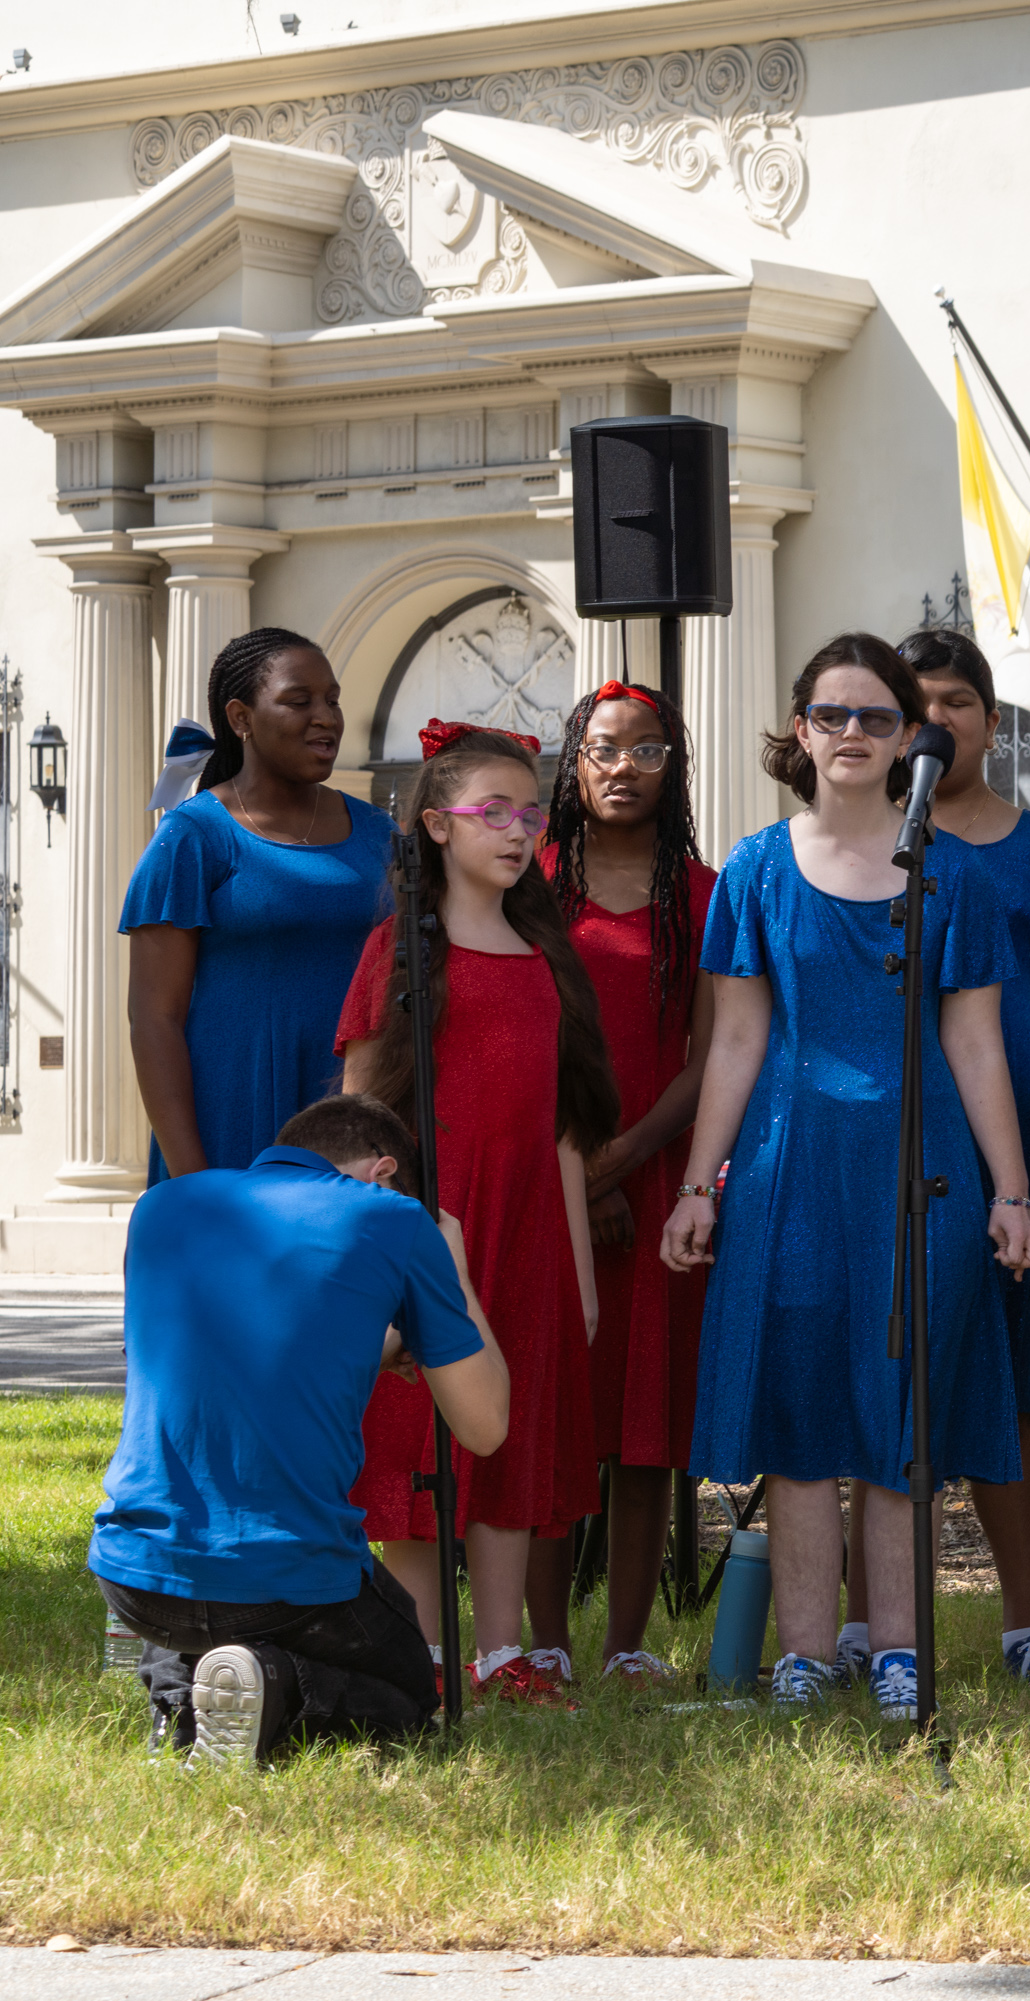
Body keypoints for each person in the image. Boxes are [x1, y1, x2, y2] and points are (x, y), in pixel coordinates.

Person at [662, 635, 1030, 1718]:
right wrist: (699, 1185)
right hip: (787, 1169)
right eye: (832, 715)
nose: (853, 735)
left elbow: (977, 1045)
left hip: (921, 1170)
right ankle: (802, 1653)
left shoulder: (953, 872)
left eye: (877, 718)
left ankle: (900, 1655)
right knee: (800, 1415)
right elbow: (733, 1042)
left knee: (901, 1416)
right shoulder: (754, 868)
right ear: (800, 729)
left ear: (908, 737)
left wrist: (1011, 1195)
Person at [93, 1095, 507, 1766]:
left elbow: (245, 1350)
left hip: (136, 1577)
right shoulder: (393, 1216)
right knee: (404, 1684)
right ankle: (278, 1685)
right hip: (283, 1582)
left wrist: (382, 1343)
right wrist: (451, 1261)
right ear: (383, 1172)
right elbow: (484, 1425)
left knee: (200, 1588)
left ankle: (183, 1702)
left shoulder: (164, 1206)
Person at [337, 724, 617, 1706]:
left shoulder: (548, 954)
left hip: (531, 1232)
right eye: (490, 811)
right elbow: (357, 1119)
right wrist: (374, 1252)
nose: (516, 830)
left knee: (511, 1434)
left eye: (529, 811)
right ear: (434, 827)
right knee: (420, 1429)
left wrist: (578, 1273)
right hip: (430, 1229)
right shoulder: (397, 953)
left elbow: (563, 1136)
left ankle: (501, 1653)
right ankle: (423, 1654)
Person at [898, 625, 1030, 1694]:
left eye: (959, 700)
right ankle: (877, 1625)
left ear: (991, 717)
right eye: (916, 701)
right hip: (892, 1128)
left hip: (1016, 1123)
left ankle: (1026, 1623)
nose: (938, 720)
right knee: (894, 1373)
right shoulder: (860, 847)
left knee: (1008, 1389)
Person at [527, 680, 716, 1688]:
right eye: (604, 749)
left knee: (644, 1430)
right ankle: (545, 1641)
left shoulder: (706, 893)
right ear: (574, 761)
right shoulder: (533, 881)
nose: (623, 768)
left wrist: (624, 1158)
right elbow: (515, 1037)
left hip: (657, 1186)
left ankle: (628, 1645)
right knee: (555, 1416)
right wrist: (574, 1166)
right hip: (544, 1175)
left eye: (648, 751)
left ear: (674, 767)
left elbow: (714, 1054)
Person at [122, 627, 396, 1180]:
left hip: (358, 1118)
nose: (327, 717)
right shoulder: (194, 837)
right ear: (241, 718)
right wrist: (193, 1180)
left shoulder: (379, 833)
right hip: (232, 1120)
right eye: (299, 701)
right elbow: (154, 1019)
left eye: (333, 700)